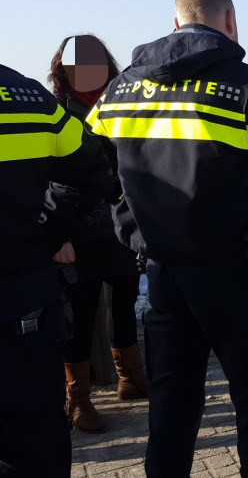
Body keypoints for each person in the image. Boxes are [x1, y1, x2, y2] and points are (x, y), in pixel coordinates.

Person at [85, 0, 248, 477]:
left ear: (175, 22)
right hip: (239, 275)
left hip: (162, 274)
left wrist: (130, 223)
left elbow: (97, 166)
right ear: (230, 21)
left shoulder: (119, 90)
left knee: (171, 409)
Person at [0, 63, 112, 476]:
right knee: (38, 444)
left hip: (26, 300)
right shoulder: (25, 96)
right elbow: (90, 171)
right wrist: (46, 231)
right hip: (24, 306)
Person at [48, 34, 147, 434]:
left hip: (121, 226)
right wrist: (57, 237)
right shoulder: (54, 112)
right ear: (63, 70)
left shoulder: (119, 105)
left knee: (124, 306)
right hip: (77, 232)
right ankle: (78, 400)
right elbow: (45, 180)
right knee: (81, 316)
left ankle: (132, 379)